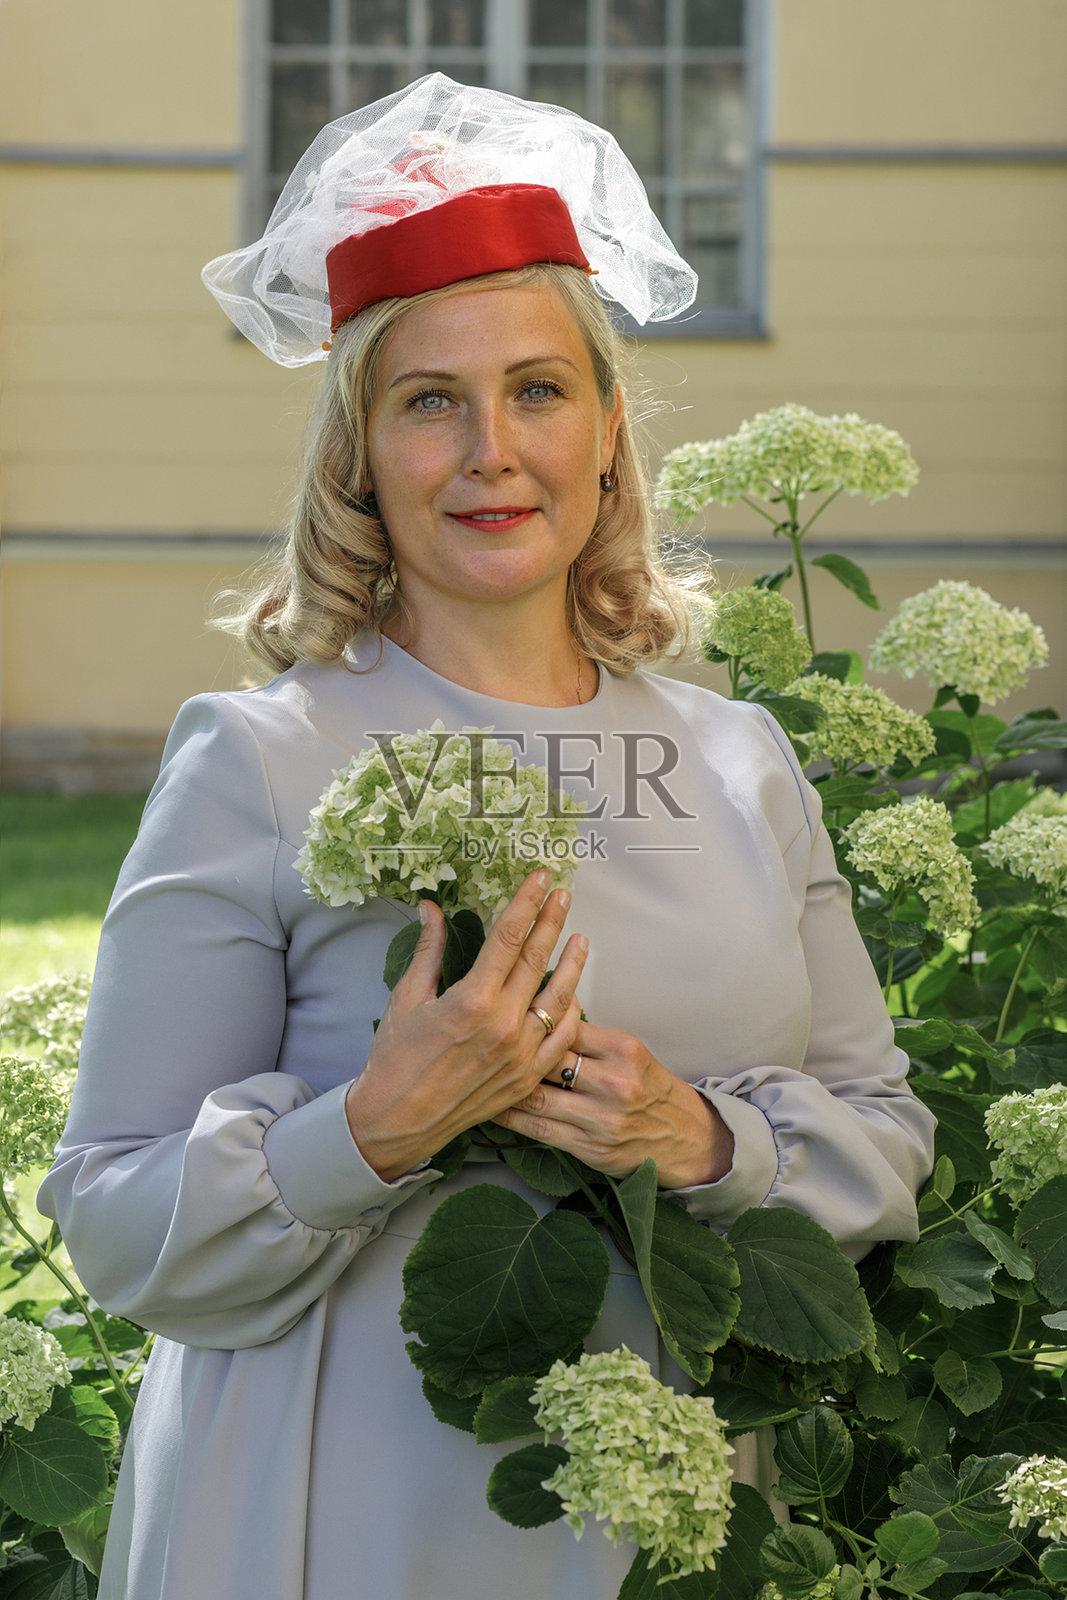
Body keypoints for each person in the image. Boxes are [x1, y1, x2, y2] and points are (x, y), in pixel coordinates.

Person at [39, 74, 936, 1600]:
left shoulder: (739, 761)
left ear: (608, 432)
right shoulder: (261, 759)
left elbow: (884, 1134)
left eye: (537, 390)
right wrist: (370, 1131)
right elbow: (112, 1220)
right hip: (337, 1512)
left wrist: (701, 1139)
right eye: (429, 401)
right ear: (360, 454)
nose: (490, 451)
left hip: (668, 1513)